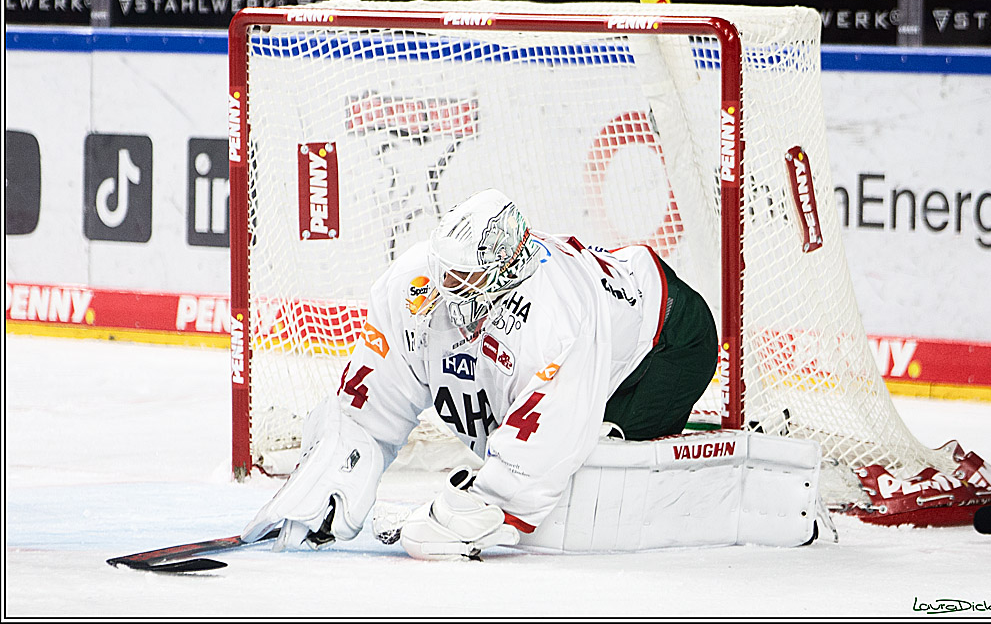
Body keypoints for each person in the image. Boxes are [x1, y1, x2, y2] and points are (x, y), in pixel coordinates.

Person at [242, 188, 729, 559]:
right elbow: (377, 393)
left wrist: (485, 504)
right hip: (600, 323)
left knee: (599, 467)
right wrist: (336, 465)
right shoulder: (416, 283)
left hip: (668, 341)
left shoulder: (555, 317)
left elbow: (541, 456)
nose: (444, 289)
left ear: (504, 274)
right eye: (443, 273)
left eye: (462, 280)